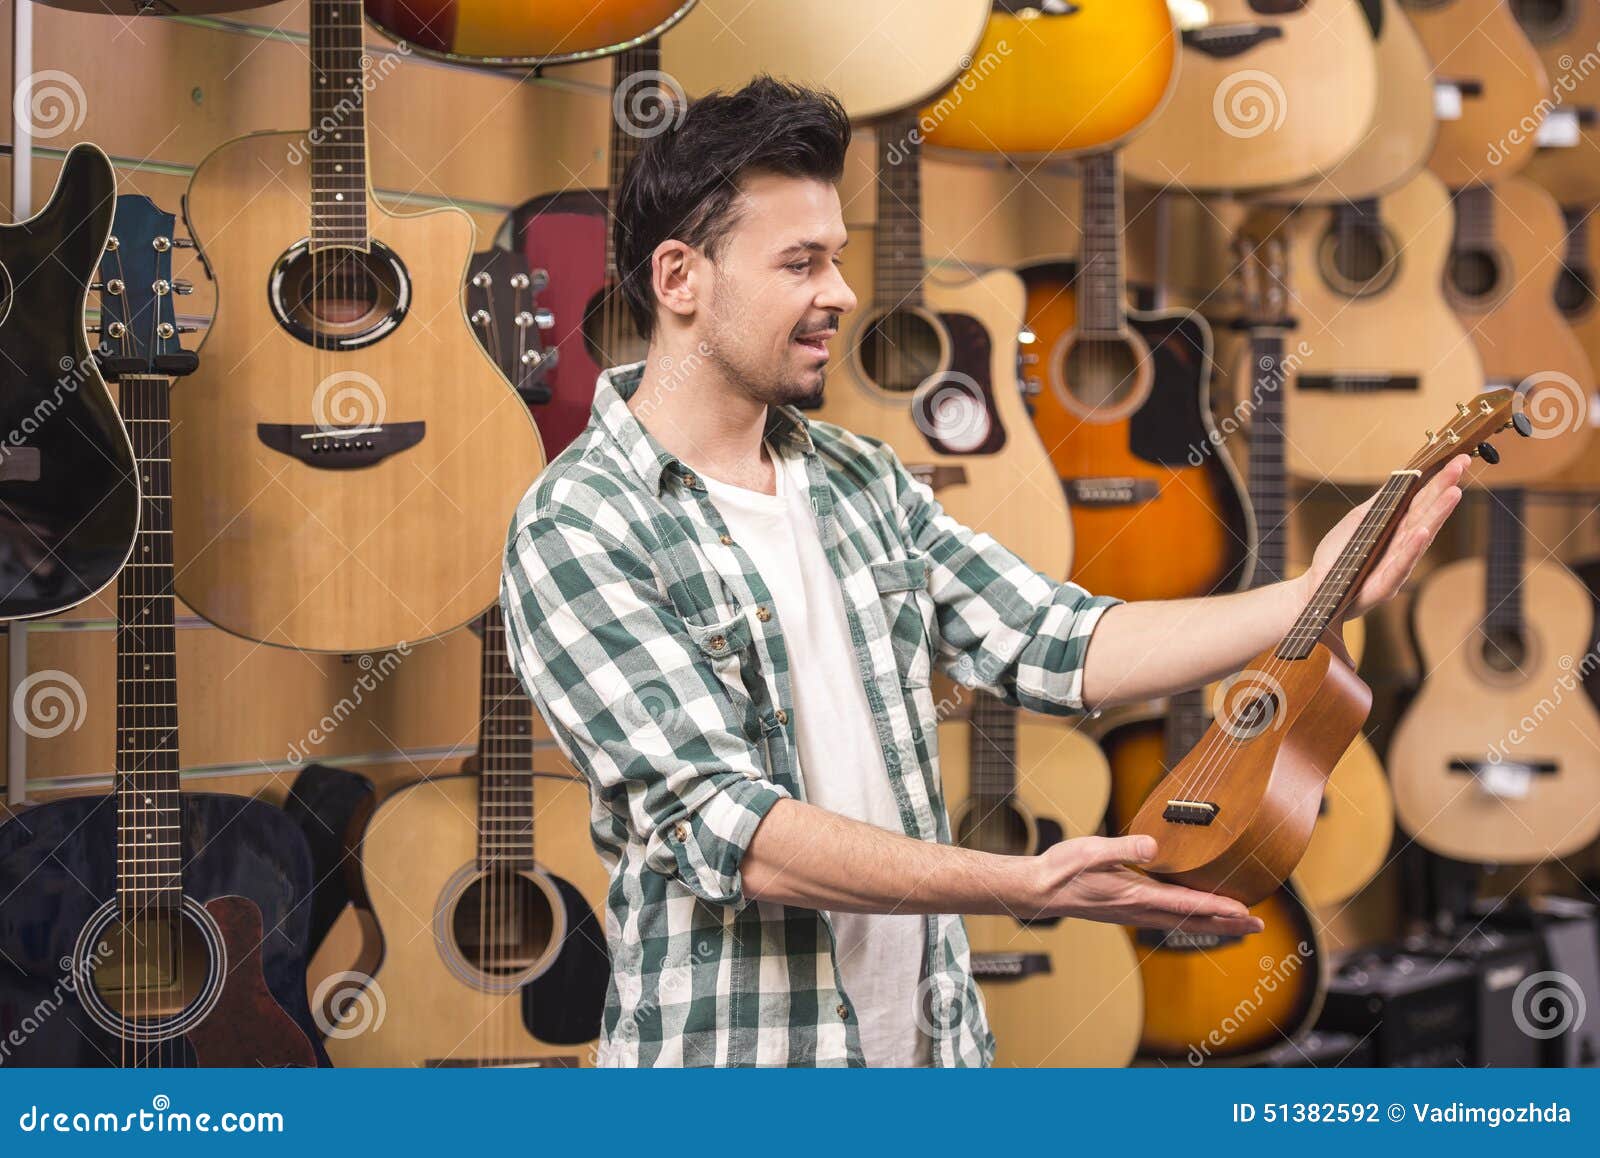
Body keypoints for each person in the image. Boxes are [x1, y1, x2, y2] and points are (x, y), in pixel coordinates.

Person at [500, 78, 1470, 1067]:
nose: (839, 292)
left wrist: (1320, 589)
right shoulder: (580, 522)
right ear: (679, 279)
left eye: (836, 259)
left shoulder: (853, 478)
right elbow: (726, 827)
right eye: (800, 263)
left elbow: (1058, 639)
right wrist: (1022, 884)